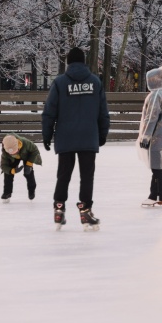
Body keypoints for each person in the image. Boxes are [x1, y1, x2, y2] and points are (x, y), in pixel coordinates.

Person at [42, 47, 110, 230]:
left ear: (68, 62)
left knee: (63, 174)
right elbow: (103, 112)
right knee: (86, 176)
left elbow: (49, 112)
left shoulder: (59, 83)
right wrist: (102, 134)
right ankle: (85, 210)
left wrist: (47, 135)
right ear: (84, 61)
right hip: (88, 136)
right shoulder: (95, 82)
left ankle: (59, 208)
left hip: (66, 137)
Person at [137, 65, 162, 207]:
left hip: (156, 137)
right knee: (159, 166)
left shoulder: (155, 96)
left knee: (156, 168)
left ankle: (155, 196)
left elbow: (151, 118)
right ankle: (160, 196)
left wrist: (146, 137)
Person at [0, 134, 42, 202]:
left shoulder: (26, 143)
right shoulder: (5, 152)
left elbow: (35, 150)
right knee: (8, 173)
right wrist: (12, 170)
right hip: (13, 159)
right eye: (12, 154)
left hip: (27, 155)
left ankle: (31, 191)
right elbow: (3, 165)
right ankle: (7, 193)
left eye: (15, 152)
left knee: (28, 172)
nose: (14, 154)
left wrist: (29, 164)